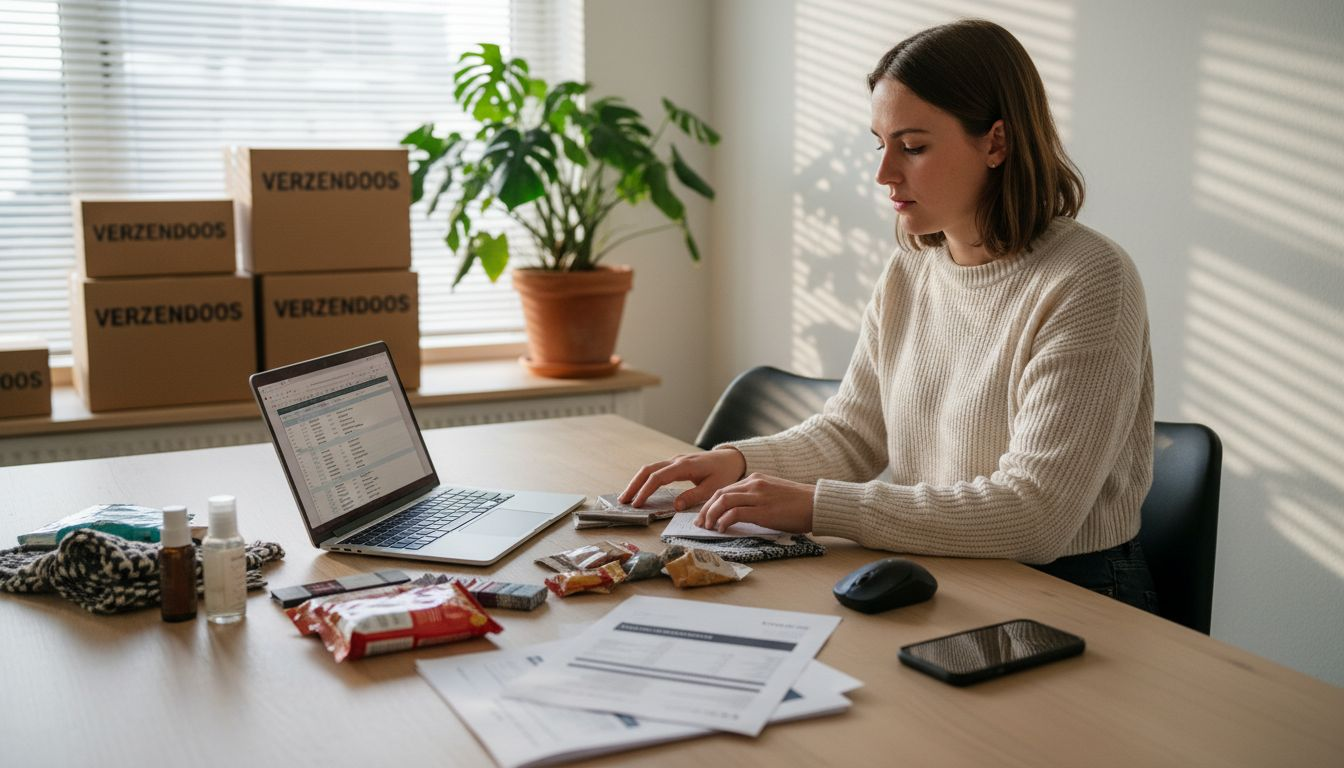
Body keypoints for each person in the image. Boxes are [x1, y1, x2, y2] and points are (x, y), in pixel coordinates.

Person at [620, 19, 1158, 612]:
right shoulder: (912, 268)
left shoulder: (1088, 279)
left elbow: (1036, 516)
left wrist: (819, 506)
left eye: (913, 147)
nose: (884, 174)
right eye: (881, 145)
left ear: (996, 143)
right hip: (942, 567)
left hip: (1075, 589)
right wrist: (739, 462)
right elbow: (855, 433)